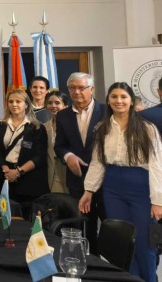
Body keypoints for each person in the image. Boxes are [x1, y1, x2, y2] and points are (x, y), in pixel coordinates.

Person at [79, 82, 162, 282]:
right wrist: (88, 191)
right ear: (108, 100)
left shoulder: (147, 127)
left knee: (145, 243)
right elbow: (98, 162)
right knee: (123, 241)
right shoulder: (102, 128)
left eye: (123, 97)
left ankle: (149, 279)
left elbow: (156, 164)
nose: (119, 101)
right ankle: (129, 279)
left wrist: (158, 200)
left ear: (131, 101)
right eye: (114, 97)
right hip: (113, 186)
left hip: (141, 186)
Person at [54, 72, 105, 251]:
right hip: (78, 178)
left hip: (106, 179)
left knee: (109, 225)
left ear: (91, 89)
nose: (76, 92)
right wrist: (68, 157)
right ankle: (89, 261)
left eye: (81, 88)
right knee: (85, 226)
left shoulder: (107, 111)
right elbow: (59, 146)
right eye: (72, 88)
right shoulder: (62, 115)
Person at [0, 89, 48, 217]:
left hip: (28, 178)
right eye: (11, 101)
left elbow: (39, 157)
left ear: (26, 104)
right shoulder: (1, 124)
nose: (14, 104)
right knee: (6, 216)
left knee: (27, 218)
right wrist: (6, 170)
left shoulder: (37, 127)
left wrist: (18, 172)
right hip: (5, 176)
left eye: (18, 101)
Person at [43, 91, 69, 194]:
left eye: (57, 103)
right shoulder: (44, 127)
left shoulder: (73, 125)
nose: (53, 106)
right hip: (52, 170)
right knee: (57, 201)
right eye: (49, 103)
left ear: (65, 106)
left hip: (69, 169)